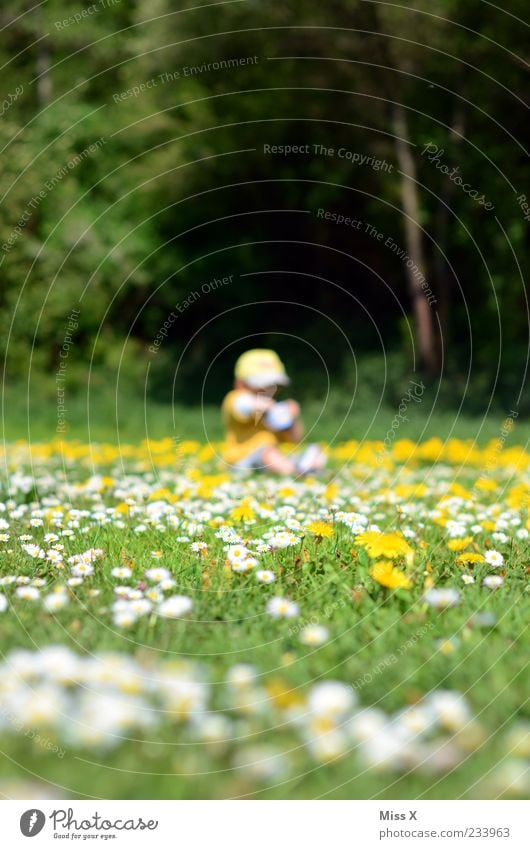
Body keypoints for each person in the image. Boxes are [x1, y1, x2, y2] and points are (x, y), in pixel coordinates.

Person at [221, 349, 326, 474]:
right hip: (240, 460)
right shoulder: (234, 398)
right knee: (268, 453)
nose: (269, 390)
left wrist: (292, 418)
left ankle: (303, 467)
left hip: (270, 459)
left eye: (274, 385)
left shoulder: (272, 412)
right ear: (241, 385)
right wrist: (267, 406)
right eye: (261, 385)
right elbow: (243, 405)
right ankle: (296, 471)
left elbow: (295, 439)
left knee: (315, 451)